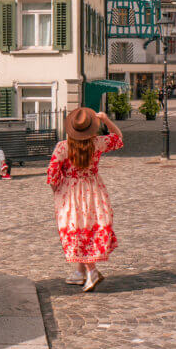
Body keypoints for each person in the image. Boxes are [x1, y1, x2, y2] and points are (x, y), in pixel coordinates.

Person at [46, 107, 123, 293]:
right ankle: (80, 272)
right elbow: (118, 138)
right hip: (93, 188)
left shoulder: (63, 147)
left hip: (70, 191)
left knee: (76, 228)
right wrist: (106, 119)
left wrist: (56, 190)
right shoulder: (97, 143)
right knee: (89, 227)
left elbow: (52, 174)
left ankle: (91, 271)